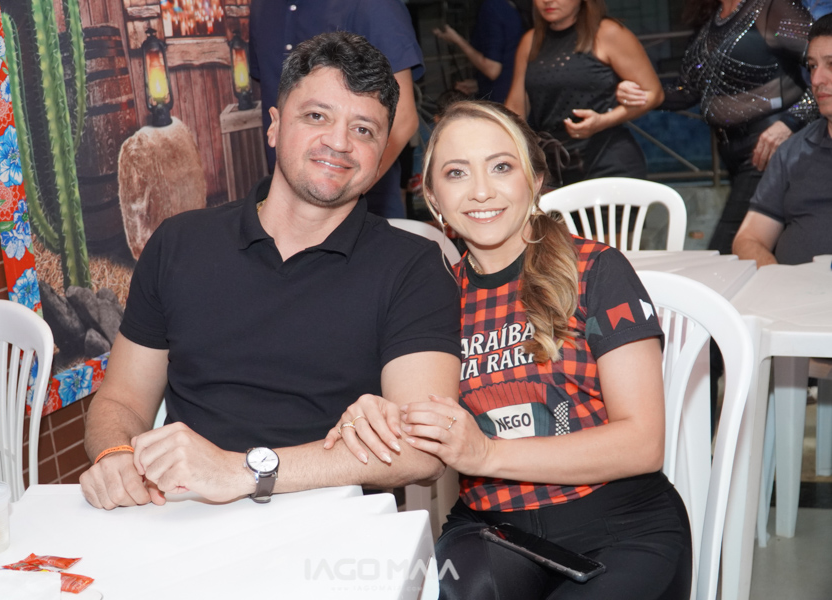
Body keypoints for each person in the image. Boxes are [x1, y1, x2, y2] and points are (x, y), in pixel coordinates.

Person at [79, 32, 462, 510]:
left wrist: (242, 471)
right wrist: (114, 455)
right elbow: (120, 401)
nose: (339, 142)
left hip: (329, 522)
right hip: (182, 514)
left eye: (364, 129)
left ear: (384, 149)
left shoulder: (415, 266)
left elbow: (423, 451)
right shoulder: (179, 243)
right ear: (274, 126)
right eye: (317, 116)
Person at [327, 100, 692, 599]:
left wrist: (486, 453)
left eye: (501, 167)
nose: (481, 191)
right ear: (432, 196)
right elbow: (412, 421)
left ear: (535, 179)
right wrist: (373, 413)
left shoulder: (597, 270)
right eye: (456, 173)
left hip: (621, 523)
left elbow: (643, 443)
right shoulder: (429, 298)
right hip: (492, 525)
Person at [618, 0, 817, 254]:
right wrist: (642, 94)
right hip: (733, 154)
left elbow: (825, 62)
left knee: (727, 254)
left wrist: (789, 123)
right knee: (765, 252)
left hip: (767, 151)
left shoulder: (770, 6)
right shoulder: (712, 18)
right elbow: (687, 91)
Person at [249, 0, 423, 219]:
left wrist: (335, 200)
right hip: (287, 212)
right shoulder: (262, 7)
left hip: (366, 210)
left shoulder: (373, 5)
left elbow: (404, 119)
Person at [504, 0, 663, 187]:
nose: (548, 1)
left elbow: (653, 93)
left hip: (606, 157)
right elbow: (515, 108)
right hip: (554, 164)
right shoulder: (530, 41)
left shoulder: (607, 32)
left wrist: (604, 121)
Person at [733, 13, 832, 266]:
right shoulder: (792, 151)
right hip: (790, 288)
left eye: (831, 64)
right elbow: (748, 239)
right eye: (812, 66)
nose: (817, 80)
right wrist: (779, 280)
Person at [432, 0, 525, 103]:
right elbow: (507, 59)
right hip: (512, 93)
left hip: (500, 101)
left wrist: (457, 40)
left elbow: (492, 69)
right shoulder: (508, 7)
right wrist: (479, 84)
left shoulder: (491, 8)